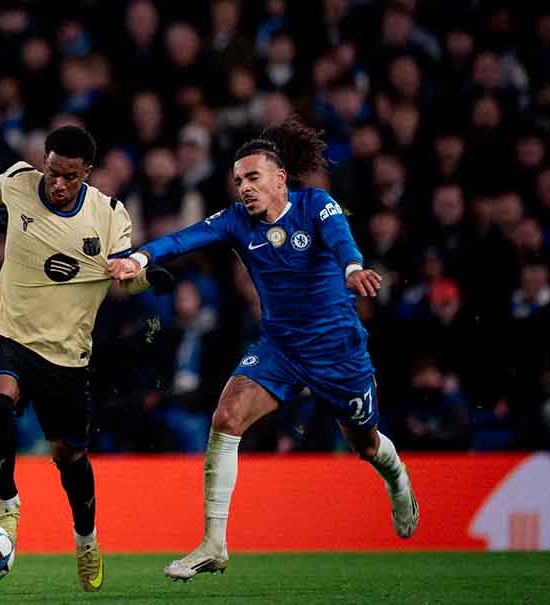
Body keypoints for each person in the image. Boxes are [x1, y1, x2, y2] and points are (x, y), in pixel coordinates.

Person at [110, 117, 419, 581]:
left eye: (253, 178)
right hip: (279, 347)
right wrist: (140, 257)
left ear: (280, 179)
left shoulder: (317, 205)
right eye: (238, 181)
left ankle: (397, 479)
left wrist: (354, 267)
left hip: (336, 349)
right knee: (226, 417)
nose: (245, 189)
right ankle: (214, 542)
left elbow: (341, 242)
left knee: (365, 444)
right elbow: (184, 238)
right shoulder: (237, 221)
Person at [0, 125, 163, 592]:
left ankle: (87, 540)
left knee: (69, 457)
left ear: (87, 173)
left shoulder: (110, 214)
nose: (57, 184)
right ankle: (7, 506)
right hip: (7, 329)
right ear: (44, 160)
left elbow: (129, 281)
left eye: (69, 177)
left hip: (66, 355)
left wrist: (144, 273)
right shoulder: (15, 181)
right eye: (52, 172)